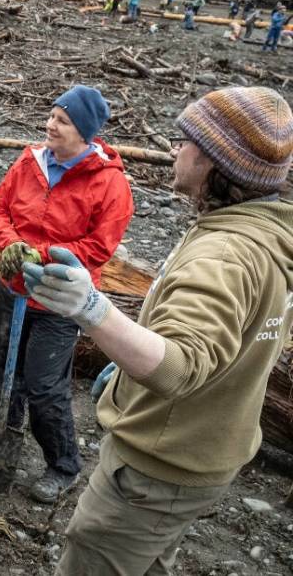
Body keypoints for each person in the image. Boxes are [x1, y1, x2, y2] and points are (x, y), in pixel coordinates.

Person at [23, 87, 293, 574]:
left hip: (157, 467)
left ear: (214, 161)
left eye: (184, 142)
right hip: (202, 453)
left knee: (94, 558)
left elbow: (178, 367)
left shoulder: (223, 256)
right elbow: (237, 341)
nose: (174, 150)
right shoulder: (266, 237)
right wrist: (128, 371)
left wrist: (91, 308)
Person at [0, 85, 134, 503]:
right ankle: (1, 441)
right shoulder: (29, 161)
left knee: (45, 386)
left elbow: (99, 248)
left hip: (59, 300)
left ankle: (63, 465)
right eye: (51, 116)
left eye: (62, 121)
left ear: (84, 131)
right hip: (12, 288)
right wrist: (11, 245)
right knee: (2, 368)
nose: (50, 125)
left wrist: (42, 255)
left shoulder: (110, 184)